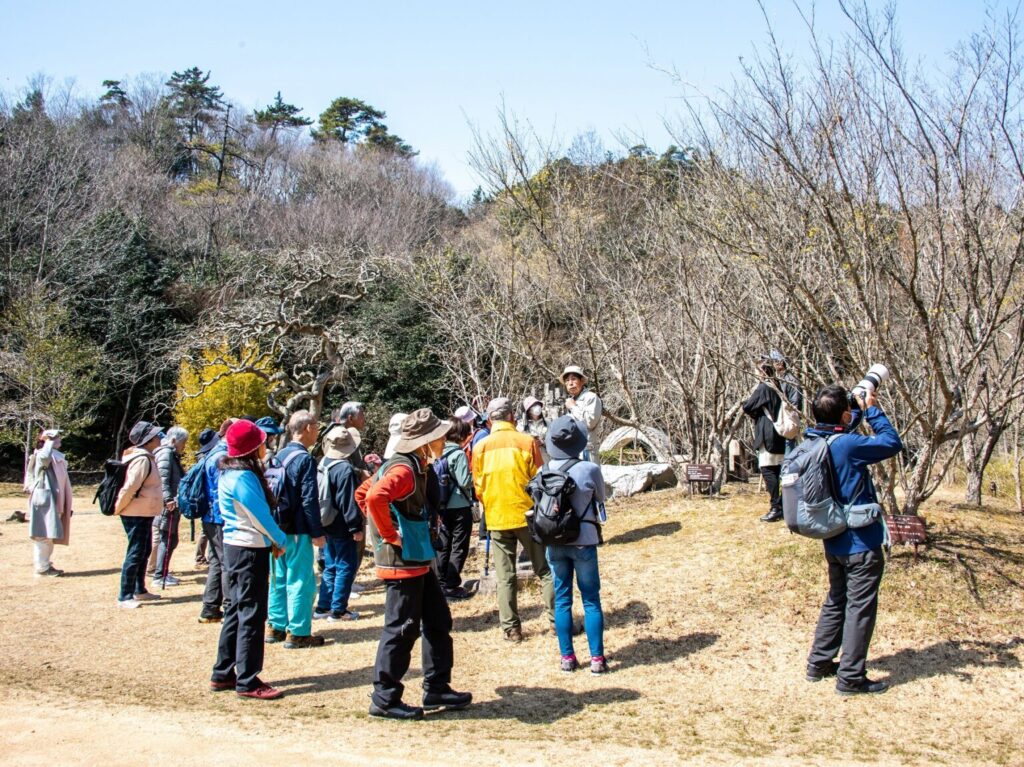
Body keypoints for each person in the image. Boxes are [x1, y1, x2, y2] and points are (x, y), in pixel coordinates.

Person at [356, 408, 472, 720]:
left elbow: (363, 492)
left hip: (417, 560)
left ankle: (437, 686)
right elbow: (375, 496)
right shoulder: (405, 470)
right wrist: (389, 534)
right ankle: (384, 698)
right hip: (402, 563)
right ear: (425, 442)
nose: (443, 440)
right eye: (438, 437)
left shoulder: (410, 465)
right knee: (401, 629)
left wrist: (384, 530)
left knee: (437, 620)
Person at [804, 384, 902, 695]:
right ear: (845, 415)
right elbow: (891, 443)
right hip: (861, 542)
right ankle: (850, 678)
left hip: (833, 539)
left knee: (836, 600)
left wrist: (853, 409)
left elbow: (842, 425)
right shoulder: (848, 445)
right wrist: (872, 409)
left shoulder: (815, 440)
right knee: (860, 607)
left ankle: (818, 664)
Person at [210, 419, 288, 700]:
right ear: (252, 447)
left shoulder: (229, 472)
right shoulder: (243, 477)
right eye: (261, 441)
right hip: (248, 549)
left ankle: (223, 672)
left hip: (235, 548)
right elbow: (259, 515)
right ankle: (248, 679)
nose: (265, 445)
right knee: (252, 614)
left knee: (235, 610)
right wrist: (280, 539)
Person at [472, 397, 554, 643]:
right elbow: (540, 479)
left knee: (505, 574)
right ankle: (556, 623)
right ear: (512, 417)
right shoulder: (526, 441)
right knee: (545, 570)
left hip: (496, 516)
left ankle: (512, 629)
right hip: (528, 514)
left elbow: (478, 487)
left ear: (489, 419)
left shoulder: (480, 447)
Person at [541, 416, 609, 674]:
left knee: (562, 600)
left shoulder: (543, 471)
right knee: (591, 599)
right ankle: (597, 660)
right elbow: (601, 497)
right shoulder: (589, 469)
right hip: (585, 540)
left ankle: (567, 657)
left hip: (554, 542)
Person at [266, 410, 326, 649]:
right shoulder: (304, 459)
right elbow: (309, 498)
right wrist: (317, 532)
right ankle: (299, 631)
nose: (318, 432)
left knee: (278, 578)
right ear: (309, 428)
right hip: (299, 528)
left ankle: (276, 626)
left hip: (277, 527)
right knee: (301, 579)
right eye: (317, 427)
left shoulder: (278, 455)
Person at [313, 425, 365, 621]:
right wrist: (355, 527)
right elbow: (348, 501)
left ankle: (323, 607)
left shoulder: (323, 462)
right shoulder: (344, 468)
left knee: (330, 565)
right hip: (342, 524)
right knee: (345, 566)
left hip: (326, 521)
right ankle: (338, 610)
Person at [114, 421, 164, 608]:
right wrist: (119, 507)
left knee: (143, 550)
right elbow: (130, 487)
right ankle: (125, 595)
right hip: (136, 512)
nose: (159, 438)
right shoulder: (142, 459)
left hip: (144, 511)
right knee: (135, 552)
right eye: (156, 436)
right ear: (148, 440)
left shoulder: (145, 457)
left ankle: (139, 589)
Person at [199, 419, 235, 622]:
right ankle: (229, 608)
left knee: (216, 561)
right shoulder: (224, 456)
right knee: (226, 563)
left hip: (209, 516)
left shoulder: (211, 452)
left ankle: (210, 608)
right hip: (220, 516)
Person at [434, 418, 475, 601]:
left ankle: (440, 582)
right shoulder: (458, 454)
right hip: (459, 505)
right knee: (459, 545)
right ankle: (452, 584)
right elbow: (465, 482)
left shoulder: (437, 452)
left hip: (441, 507)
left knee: (443, 544)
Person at [24, 429, 72, 577]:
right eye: (55, 438)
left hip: (55, 500)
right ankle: (42, 568)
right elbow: (45, 457)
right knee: (42, 535)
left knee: (49, 535)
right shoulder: (42, 454)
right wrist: (48, 440)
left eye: (57, 437)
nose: (58, 440)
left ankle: (45, 565)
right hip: (44, 499)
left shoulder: (55, 456)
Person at [742, 362, 786, 522]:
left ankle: (777, 507)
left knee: (768, 470)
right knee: (779, 471)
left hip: (767, 435)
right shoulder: (778, 386)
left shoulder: (764, 387)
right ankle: (784, 504)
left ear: (762, 373)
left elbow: (747, 406)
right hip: (780, 433)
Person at [150, 426, 188, 587]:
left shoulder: (170, 454)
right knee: (167, 538)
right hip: (167, 505)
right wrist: (168, 499)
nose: (184, 446)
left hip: (170, 503)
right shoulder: (166, 454)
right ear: (173, 440)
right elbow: (162, 479)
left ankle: (162, 572)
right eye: (183, 443)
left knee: (170, 539)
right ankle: (159, 576)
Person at [560, 366, 602, 464]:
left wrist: (573, 407)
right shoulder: (571, 400)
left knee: (589, 478)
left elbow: (589, 423)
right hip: (571, 451)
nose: (570, 383)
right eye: (567, 380)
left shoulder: (591, 397)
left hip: (587, 450)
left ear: (582, 381)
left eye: (574, 379)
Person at [767, 350, 803, 455]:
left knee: (788, 457)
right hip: (779, 425)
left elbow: (795, 404)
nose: (771, 365)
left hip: (788, 425)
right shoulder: (778, 380)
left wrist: (791, 422)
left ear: (780, 363)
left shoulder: (790, 380)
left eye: (773, 362)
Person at [193, 428, 219, 567]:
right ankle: (200, 557)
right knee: (208, 533)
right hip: (211, 504)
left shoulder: (202, 456)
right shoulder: (212, 457)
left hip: (205, 502)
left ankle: (200, 556)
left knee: (205, 531)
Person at [336, 401, 370, 478]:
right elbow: (339, 465)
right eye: (361, 415)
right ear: (350, 418)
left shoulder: (352, 436)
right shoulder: (341, 437)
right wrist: (360, 473)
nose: (364, 419)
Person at [517, 396, 550, 462]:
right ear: (528, 410)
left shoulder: (548, 423)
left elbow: (553, 441)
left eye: (537, 404)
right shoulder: (521, 426)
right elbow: (518, 444)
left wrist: (543, 442)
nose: (537, 407)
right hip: (530, 459)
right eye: (533, 405)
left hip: (545, 458)